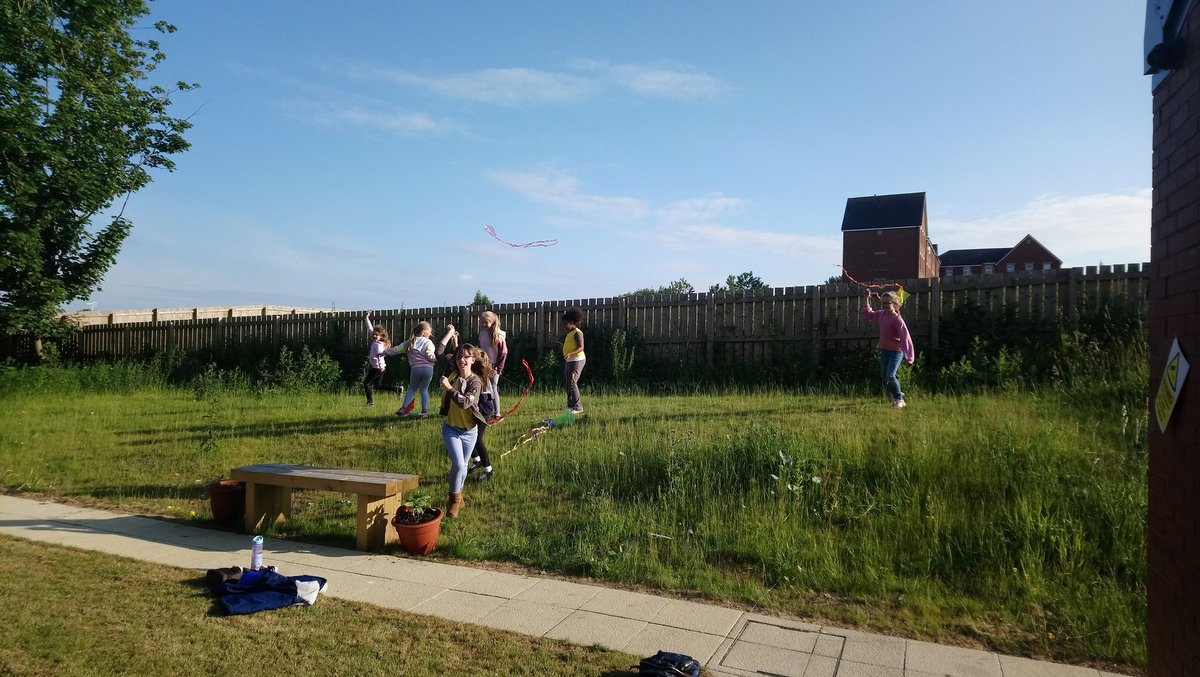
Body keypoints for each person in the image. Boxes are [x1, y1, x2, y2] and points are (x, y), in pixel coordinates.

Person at [438, 343, 494, 518]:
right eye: (459, 356)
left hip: (470, 432)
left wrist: (448, 388)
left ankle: (458, 498)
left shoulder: (475, 381)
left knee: (461, 467)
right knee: (460, 465)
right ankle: (454, 500)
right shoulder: (453, 375)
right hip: (451, 429)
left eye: (466, 356)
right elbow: (440, 352)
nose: (462, 360)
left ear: (473, 359)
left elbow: (465, 403)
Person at [862, 290, 915, 409]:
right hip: (885, 350)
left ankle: (900, 400)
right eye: (883, 303)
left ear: (895, 304)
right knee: (884, 376)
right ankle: (898, 392)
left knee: (890, 375)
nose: (885, 306)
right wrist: (867, 297)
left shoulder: (897, 320)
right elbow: (868, 314)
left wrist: (909, 358)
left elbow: (905, 339)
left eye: (888, 303)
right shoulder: (882, 314)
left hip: (896, 352)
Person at [389, 321, 438, 417]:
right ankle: (424, 411)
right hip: (428, 369)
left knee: (412, 389)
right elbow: (429, 354)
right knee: (424, 389)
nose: (430, 334)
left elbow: (396, 349)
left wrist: (384, 352)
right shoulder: (428, 342)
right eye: (429, 332)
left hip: (415, 369)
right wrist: (435, 359)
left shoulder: (410, 342)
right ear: (423, 332)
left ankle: (403, 409)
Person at [362, 312, 398, 406]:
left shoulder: (379, 345)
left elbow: (380, 356)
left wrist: (381, 367)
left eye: (376, 335)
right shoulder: (375, 340)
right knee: (378, 386)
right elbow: (370, 328)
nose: (374, 336)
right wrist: (366, 318)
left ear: (381, 336)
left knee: (366, 383)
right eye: (373, 334)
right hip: (378, 368)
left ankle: (370, 402)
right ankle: (397, 389)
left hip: (378, 368)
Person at [561, 308, 586, 414]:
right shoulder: (570, 333)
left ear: (571, 322)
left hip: (577, 360)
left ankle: (578, 407)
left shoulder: (577, 333)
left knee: (572, 382)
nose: (564, 326)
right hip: (570, 360)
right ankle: (571, 405)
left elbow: (581, 347)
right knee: (568, 383)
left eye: (566, 323)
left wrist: (570, 353)